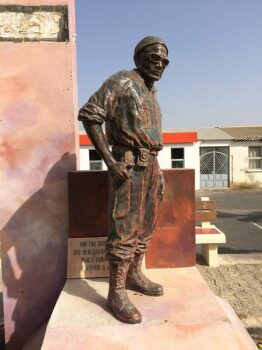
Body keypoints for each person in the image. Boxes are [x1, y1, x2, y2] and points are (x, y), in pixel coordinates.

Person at [78, 36, 169, 324]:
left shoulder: (151, 92)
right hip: (128, 167)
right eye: (155, 58)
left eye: (165, 61)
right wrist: (110, 161)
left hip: (151, 166)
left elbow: (150, 138)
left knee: (146, 225)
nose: (160, 65)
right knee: (125, 226)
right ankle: (115, 292)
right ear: (138, 58)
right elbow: (90, 115)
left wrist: (159, 171)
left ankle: (135, 274)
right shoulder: (122, 81)